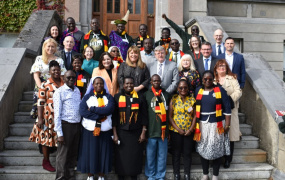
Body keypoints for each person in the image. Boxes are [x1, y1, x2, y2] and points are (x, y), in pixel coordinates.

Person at [194, 70, 231, 180]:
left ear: (213, 79)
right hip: (202, 125)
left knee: (217, 149)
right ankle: (205, 174)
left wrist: (227, 125)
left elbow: (227, 107)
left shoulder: (219, 90)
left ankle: (215, 175)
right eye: (205, 79)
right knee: (203, 148)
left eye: (210, 79)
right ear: (202, 80)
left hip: (217, 124)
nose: (208, 81)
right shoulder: (198, 90)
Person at [29, 60, 64, 172]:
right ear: (49, 72)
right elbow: (40, 101)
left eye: (58, 70)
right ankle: (46, 161)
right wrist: (40, 118)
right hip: (48, 115)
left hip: (62, 114)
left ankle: (61, 162)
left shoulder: (65, 82)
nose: (56, 72)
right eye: (53, 70)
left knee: (59, 137)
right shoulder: (45, 84)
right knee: (46, 138)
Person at [77, 77, 115, 180]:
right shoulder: (87, 97)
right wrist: (98, 117)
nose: (99, 85)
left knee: (103, 153)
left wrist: (93, 109)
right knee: (90, 153)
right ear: (92, 85)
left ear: (104, 85)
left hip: (105, 131)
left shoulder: (109, 97)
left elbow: (109, 109)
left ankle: (101, 176)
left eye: (101, 84)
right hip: (89, 131)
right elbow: (83, 112)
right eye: (96, 84)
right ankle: (90, 175)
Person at [112, 77, 148, 180]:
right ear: (123, 85)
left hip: (136, 133)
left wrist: (143, 132)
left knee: (134, 157)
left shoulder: (140, 97)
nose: (129, 85)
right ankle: (121, 176)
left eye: (131, 84)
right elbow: (114, 117)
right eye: (127, 84)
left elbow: (144, 116)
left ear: (134, 85)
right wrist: (115, 134)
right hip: (121, 133)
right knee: (121, 157)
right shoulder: (117, 97)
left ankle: (134, 176)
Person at [214, 59, 242, 169]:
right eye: (220, 66)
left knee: (230, 135)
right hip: (217, 111)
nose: (222, 68)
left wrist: (228, 100)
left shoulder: (232, 78)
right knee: (218, 134)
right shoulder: (212, 79)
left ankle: (228, 159)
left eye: (224, 66)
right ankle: (218, 158)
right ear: (216, 68)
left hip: (231, 109)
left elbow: (238, 91)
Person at [53, 70, 82, 180]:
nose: (71, 79)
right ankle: (60, 177)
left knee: (73, 154)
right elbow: (57, 114)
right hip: (66, 126)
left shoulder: (77, 90)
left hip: (76, 126)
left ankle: (70, 176)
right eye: (68, 77)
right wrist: (59, 133)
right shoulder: (60, 92)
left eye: (73, 78)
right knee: (63, 155)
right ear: (63, 79)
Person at [30, 38, 66, 119]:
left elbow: (62, 76)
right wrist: (42, 88)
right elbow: (36, 75)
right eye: (48, 46)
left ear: (55, 48)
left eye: (53, 47)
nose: (50, 48)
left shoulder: (59, 60)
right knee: (40, 113)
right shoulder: (39, 58)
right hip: (41, 86)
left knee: (53, 112)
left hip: (55, 87)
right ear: (44, 47)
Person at [144, 74, 171, 180]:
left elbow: (169, 115)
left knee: (162, 156)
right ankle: (151, 175)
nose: (156, 82)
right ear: (151, 82)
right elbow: (144, 114)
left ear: (161, 82)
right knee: (150, 155)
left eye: (158, 80)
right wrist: (144, 130)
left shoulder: (166, 95)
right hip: (151, 131)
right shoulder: (146, 95)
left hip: (163, 131)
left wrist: (168, 131)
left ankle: (160, 175)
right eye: (154, 81)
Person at [169, 79, 196, 180]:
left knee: (187, 153)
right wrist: (178, 129)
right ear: (177, 89)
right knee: (176, 153)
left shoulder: (192, 100)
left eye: (185, 87)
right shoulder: (174, 99)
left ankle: (186, 174)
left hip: (189, 132)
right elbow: (170, 117)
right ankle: (176, 174)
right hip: (176, 131)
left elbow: (194, 117)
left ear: (188, 88)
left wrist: (190, 129)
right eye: (180, 88)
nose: (183, 89)